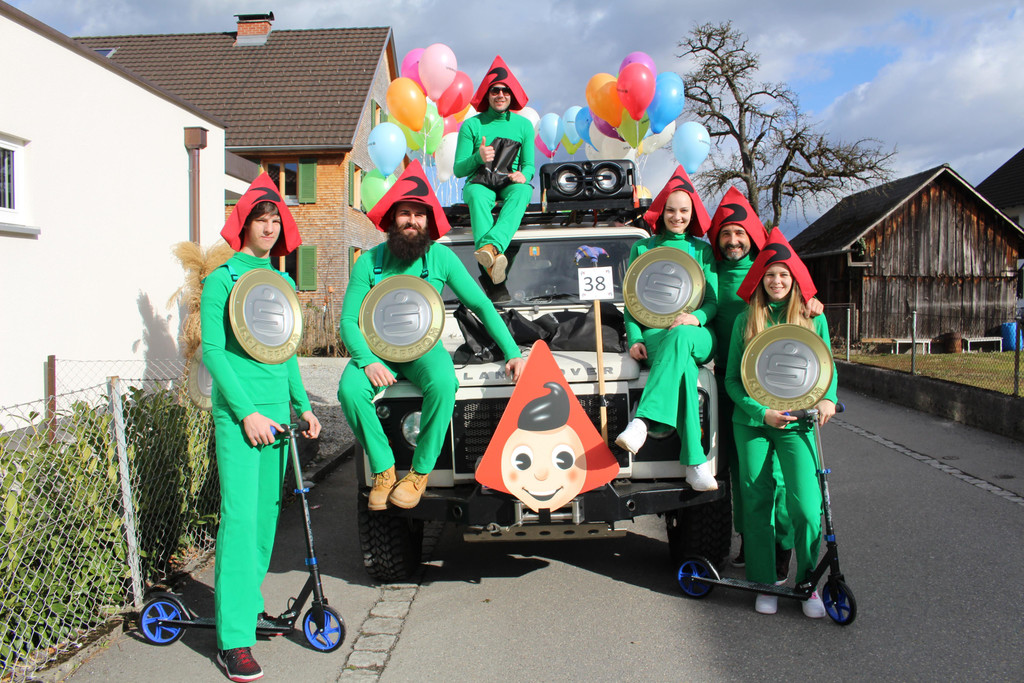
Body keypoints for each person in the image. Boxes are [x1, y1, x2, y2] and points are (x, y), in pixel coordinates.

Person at [338, 160, 525, 510]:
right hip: (377, 352)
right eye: (405, 213)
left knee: (443, 384)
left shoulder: (441, 258)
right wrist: (366, 361)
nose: (412, 220)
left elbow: (481, 305)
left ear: (428, 221)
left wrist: (513, 352)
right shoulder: (368, 262)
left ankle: (419, 473)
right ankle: (383, 468)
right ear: (392, 218)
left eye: (419, 214)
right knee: (349, 390)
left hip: (423, 351)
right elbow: (348, 321)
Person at [201, 172, 321, 682]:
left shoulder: (282, 283)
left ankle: (247, 609)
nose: (269, 227)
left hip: (277, 416)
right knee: (240, 520)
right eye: (260, 219)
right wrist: (246, 412)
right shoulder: (221, 280)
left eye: (275, 220)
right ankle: (234, 640)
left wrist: (303, 405)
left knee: (265, 520)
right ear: (244, 223)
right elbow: (213, 352)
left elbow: (285, 351)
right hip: (240, 416)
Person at [709, 187, 822, 577]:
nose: (733, 240)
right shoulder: (709, 270)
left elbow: (822, 361)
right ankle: (754, 549)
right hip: (733, 386)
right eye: (726, 233)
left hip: (784, 395)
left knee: (784, 481)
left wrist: (810, 298)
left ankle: (783, 545)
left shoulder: (788, 292)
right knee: (744, 477)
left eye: (740, 233)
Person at [725, 227, 837, 618]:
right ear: (760, 278)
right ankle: (764, 580)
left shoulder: (812, 318)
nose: (776, 281)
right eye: (770, 274)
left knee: (806, 506)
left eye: (784, 275)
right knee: (757, 503)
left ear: (794, 280)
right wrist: (761, 412)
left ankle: (807, 585)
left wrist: (828, 398)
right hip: (753, 423)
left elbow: (827, 370)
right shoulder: (745, 320)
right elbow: (732, 381)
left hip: (797, 424)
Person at [614, 166, 719, 491]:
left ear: (692, 213)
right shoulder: (643, 249)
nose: (677, 217)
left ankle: (643, 421)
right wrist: (634, 337)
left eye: (684, 211)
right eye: (671, 210)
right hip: (656, 335)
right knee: (685, 371)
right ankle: (696, 463)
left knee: (683, 336)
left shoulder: (702, 250)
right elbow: (632, 302)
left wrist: (696, 318)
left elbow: (713, 302)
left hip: (698, 333)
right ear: (662, 212)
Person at [453, 55, 535, 285]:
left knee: (524, 191)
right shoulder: (471, 125)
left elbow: (529, 165)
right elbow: (458, 169)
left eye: (505, 90)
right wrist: (477, 157)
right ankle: (492, 259)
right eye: (495, 90)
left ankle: (490, 249)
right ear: (487, 95)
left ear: (512, 94)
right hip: (480, 183)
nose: (500, 95)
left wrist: (524, 175)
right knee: (477, 195)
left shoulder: (524, 126)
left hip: (509, 183)